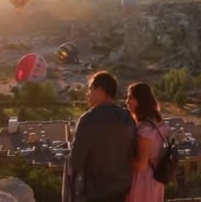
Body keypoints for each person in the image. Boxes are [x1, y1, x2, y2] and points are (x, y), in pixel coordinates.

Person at [70, 71, 136, 202]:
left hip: (97, 192)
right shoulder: (127, 117)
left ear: (100, 90)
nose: (87, 94)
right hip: (122, 188)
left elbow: (75, 161)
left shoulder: (88, 119)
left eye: (90, 89)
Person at [125, 83, 169, 202]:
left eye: (131, 98)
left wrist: (124, 157)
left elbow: (141, 164)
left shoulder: (145, 128)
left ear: (141, 100)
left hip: (144, 180)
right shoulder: (158, 120)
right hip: (156, 177)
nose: (127, 102)